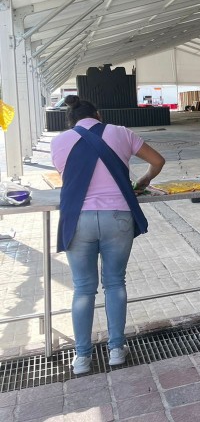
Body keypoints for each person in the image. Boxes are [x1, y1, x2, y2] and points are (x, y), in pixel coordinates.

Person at [51, 96, 165, 375]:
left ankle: (82, 358)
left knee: (83, 289)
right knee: (115, 283)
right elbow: (158, 161)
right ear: (98, 114)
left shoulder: (59, 141)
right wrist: (143, 180)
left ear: (72, 121)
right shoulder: (120, 132)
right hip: (119, 218)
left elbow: (68, 176)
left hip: (78, 220)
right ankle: (116, 350)